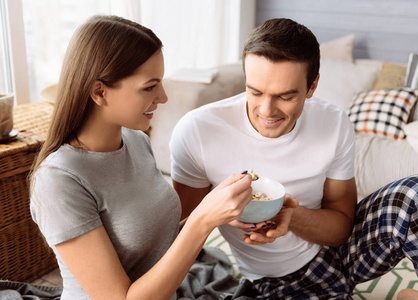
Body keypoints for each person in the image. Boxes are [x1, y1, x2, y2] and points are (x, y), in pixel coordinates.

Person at [170, 18, 418, 299]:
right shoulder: (198, 130)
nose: (267, 111)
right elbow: (180, 231)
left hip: (343, 251)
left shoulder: (334, 122)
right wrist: (219, 212)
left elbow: (342, 228)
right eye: (255, 92)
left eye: (286, 96)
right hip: (276, 281)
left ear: (312, 86)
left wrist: (290, 216)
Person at [29, 15, 254, 300]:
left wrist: (219, 213)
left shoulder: (136, 141)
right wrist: (203, 221)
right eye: (150, 87)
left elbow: (159, 244)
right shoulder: (59, 181)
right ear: (99, 91)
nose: (163, 97)